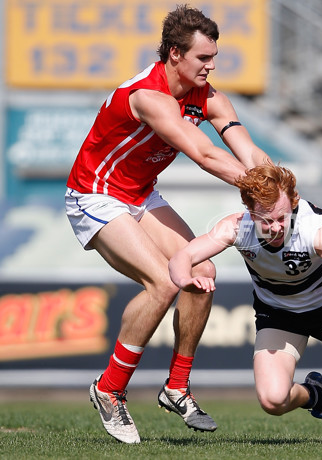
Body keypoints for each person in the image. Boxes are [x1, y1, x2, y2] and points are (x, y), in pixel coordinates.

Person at [65, 5, 272, 444]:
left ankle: (177, 386)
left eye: (214, 56)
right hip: (95, 194)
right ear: (174, 55)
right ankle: (109, 390)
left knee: (202, 273)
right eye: (203, 58)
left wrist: (282, 188)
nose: (211, 65)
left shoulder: (209, 95)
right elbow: (207, 155)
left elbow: (247, 150)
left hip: (139, 195)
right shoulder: (150, 97)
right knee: (163, 282)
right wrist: (265, 193)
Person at [169, 163, 322, 435]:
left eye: (282, 218)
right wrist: (184, 280)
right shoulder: (237, 227)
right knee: (273, 400)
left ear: (293, 206)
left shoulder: (313, 229)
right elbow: (183, 257)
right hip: (280, 313)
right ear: (250, 212)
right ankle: (316, 395)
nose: (275, 227)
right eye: (266, 220)